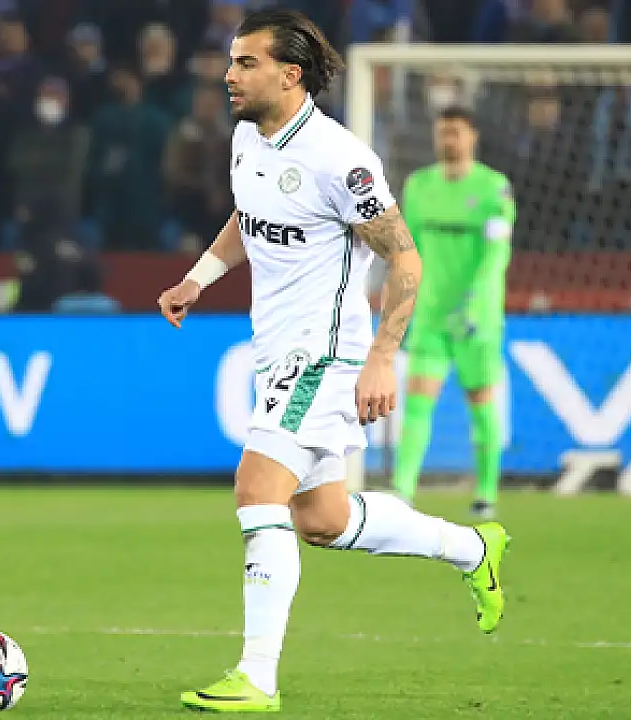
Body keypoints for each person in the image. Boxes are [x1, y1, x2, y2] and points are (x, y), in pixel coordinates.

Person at [155, 10, 511, 713]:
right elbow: (248, 217)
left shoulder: (340, 160)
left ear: (290, 74)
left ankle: (257, 676)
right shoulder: (247, 137)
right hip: (275, 350)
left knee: (256, 489)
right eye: (231, 61)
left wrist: (382, 357)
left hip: (324, 353)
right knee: (322, 519)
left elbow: (405, 259)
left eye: (246, 63)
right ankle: (474, 548)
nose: (229, 75)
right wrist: (198, 278)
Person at [390, 107, 516, 519]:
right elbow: (409, 249)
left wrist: (476, 301)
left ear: (472, 136)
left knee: (480, 400)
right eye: (443, 132)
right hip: (431, 314)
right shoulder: (419, 186)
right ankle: (402, 490)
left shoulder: (493, 188)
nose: (448, 140)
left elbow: (497, 253)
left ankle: (486, 493)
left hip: (476, 317)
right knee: (417, 400)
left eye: (456, 132)